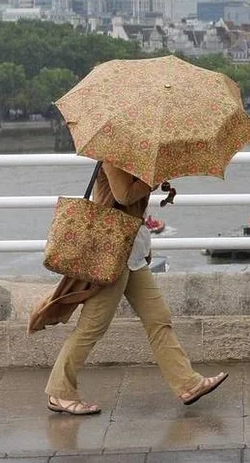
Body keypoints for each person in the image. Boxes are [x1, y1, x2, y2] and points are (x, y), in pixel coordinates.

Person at [28, 162, 228, 415]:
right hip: (112, 255)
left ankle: (188, 384)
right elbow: (123, 194)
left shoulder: (133, 157)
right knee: (92, 327)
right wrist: (153, 179)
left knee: (158, 318)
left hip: (129, 249)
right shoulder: (113, 156)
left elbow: (133, 206)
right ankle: (60, 392)